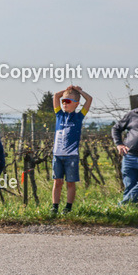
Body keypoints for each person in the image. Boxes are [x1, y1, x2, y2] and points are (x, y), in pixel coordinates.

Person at [51, 86, 92, 215]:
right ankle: (55, 207)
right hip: (57, 155)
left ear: (76, 104)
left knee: (70, 183)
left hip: (71, 156)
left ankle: (68, 208)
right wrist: (66, 90)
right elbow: (56, 96)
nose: (64, 104)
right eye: (63, 101)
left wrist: (78, 91)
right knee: (57, 182)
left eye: (68, 101)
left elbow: (89, 99)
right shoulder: (59, 115)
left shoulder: (79, 117)